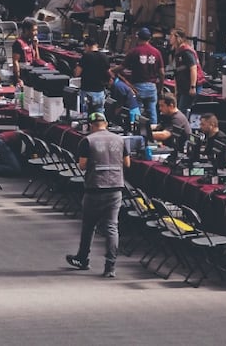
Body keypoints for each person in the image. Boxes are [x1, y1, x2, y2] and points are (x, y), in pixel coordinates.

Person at [66, 111, 130, 278]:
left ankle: (83, 258)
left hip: (95, 187)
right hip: (115, 187)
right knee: (111, 227)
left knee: (89, 225)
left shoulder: (87, 141)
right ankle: (110, 266)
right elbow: (127, 163)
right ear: (106, 123)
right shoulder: (120, 140)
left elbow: (82, 165)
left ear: (91, 125)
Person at [120, 27, 164, 128]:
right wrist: (160, 88)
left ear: (138, 38)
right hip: (152, 87)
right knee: (152, 111)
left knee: (137, 111)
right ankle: (154, 134)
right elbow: (162, 73)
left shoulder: (134, 51)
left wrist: (111, 71)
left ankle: (137, 130)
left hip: (137, 87)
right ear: (150, 38)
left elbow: (122, 67)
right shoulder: (156, 52)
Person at [169, 28, 203, 113]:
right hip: (183, 86)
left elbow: (193, 68)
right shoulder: (177, 51)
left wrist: (192, 86)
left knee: (182, 110)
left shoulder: (186, 51)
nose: (170, 38)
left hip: (190, 86)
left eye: (171, 36)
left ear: (177, 37)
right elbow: (177, 71)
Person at [74, 38, 111, 115]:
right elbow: (109, 73)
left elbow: (77, 73)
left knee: (86, 115)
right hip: (100, 91)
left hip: (87, 90)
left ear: (87, 46)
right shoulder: (104, 57)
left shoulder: (86, 56)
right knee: (99, 114)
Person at [11, 19, 49, 85]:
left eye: (36, 30)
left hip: (33, 73)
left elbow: (37, 60)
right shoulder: (18, 43)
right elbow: (15, 61)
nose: (36, 33)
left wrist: (35, 46)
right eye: (33, 30)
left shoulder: (31, 42)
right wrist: (18, 79)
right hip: (24, 74)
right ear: (26, 30)